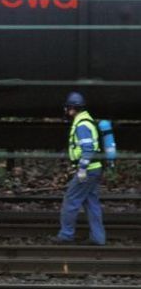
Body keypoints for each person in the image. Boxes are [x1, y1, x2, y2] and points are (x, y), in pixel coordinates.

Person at [52, 92, 105, 245]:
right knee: (91, 202)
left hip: (88, 170)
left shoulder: (82, 125)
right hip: (94, 168)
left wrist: (81, 169)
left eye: (68, 108)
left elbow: (88, 149)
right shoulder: (86, 121)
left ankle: (66, 235)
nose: (67, 111)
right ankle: (98, 238)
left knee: (71, 200)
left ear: (73, 108)